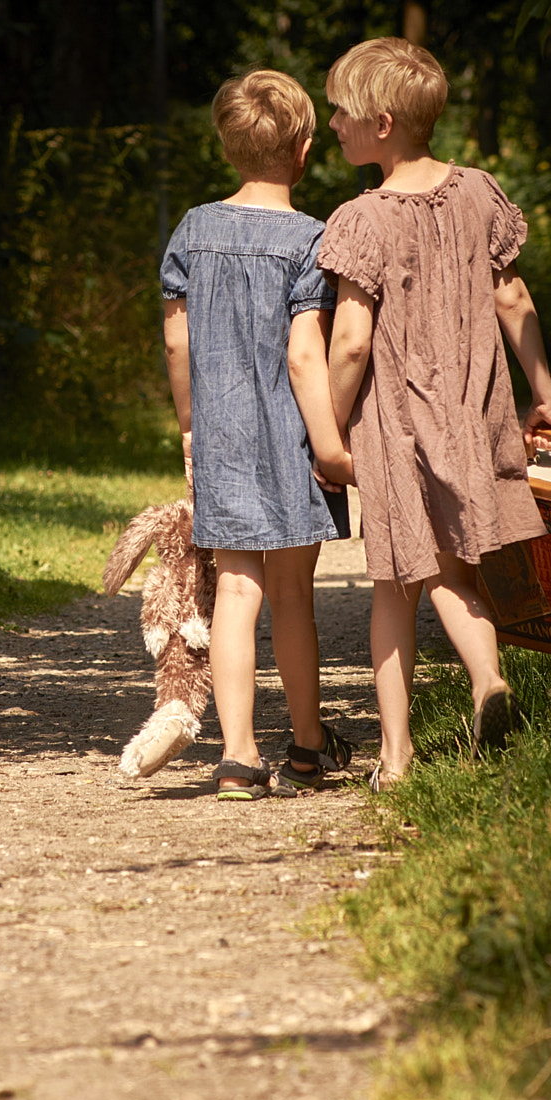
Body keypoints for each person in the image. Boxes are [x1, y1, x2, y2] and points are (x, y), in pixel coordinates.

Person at [316, 36, 551, 792]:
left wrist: (324, 430)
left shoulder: (361, 218)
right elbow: (513, 297)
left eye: (341, 113)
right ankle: (488, 680)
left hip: (398, 427)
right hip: (473, 414)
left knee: (394, 591)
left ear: (383, 122)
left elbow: (352, 342)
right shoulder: (480, 191)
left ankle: (396, 757)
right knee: (459, 574)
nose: (332, 126)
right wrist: (543, 391)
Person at [162, 69, 356, 800]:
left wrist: (190, 423)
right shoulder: (312, 239)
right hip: (291, 442)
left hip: (225, 440)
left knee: (235, 593)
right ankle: (307, 747)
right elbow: (306, 353)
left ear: (225, 146)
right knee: (293, 597)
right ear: (306, 148)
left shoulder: (193, 229)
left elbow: (178, 344)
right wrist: (329, 441)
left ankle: (238, 754)